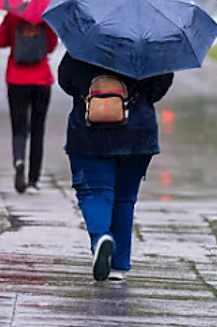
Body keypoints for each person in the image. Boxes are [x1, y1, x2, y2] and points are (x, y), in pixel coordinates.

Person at [57, 54, 173, 282]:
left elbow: (66, 80)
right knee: (125, 198)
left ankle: (101, 237)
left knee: (94, 191)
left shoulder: (85, 43)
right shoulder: (149, 45)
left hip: (89, 132)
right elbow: (160, 87)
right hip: (138, 132)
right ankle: (119, 264)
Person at [0, 12, 60, 194]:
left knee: (19, 127)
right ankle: (33, 181)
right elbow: (51, 46)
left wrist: (14, 39)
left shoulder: (12, 17)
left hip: (16, 80)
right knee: (38, 130)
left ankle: (19, 160)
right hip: (41, 81)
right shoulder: (46, 18)